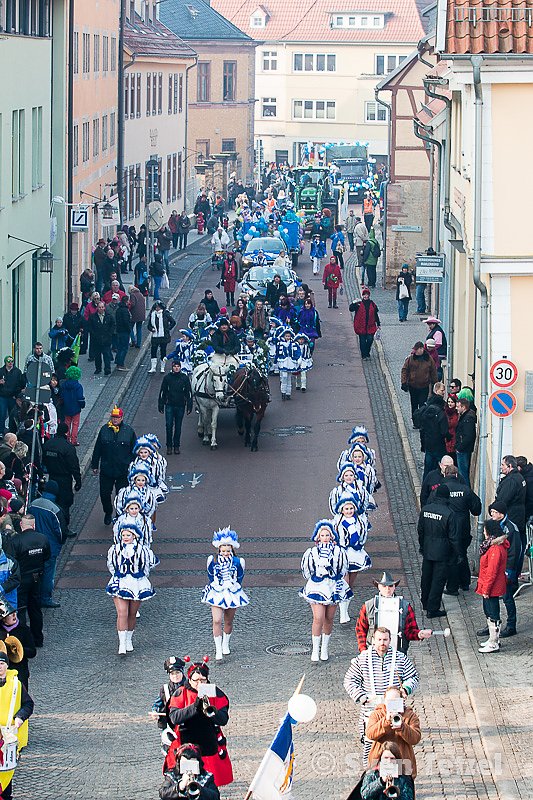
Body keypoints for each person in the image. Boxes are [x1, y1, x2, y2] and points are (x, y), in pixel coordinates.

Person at [344, 627, 419, 764]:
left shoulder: (400, 658)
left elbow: (413, 676)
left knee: (397, 742)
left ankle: (400, 777)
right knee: (370, 742)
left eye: (385, 640)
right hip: (371, 708)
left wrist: (405, 689)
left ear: (390, 640)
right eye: (379, 639)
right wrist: (361, 696)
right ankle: (371, 774)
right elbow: (349, 680)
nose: (382, 643)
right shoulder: (363, 659)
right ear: (373, 640)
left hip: (394, 706)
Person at [165, 658, 233, 787]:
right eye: (196, 680)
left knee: (210, 782)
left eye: (203, 680)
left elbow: (223, 719)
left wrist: (212, 713)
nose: (199, 684)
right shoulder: (181, 692)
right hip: (186, 744)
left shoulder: (215, 692)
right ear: (189, 679)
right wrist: (194, 707)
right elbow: (174, 718)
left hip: (208, 743)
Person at [300, 520, 350, 662]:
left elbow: (343, 569)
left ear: (332, 536)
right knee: (318, 618)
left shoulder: (339, 552)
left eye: (328, 535)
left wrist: (336, 579)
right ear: (318, 537)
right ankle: (315, 649)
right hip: (317, 586)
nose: (325, 537)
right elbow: (307, 571)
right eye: (323, 535)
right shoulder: (312, 553)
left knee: (329, 618)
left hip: (333, 586)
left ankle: (325, 648)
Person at [107, 523, 157, 654]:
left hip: (136, 583)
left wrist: (141, 579)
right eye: (123, 535)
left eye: (128, 535)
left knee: (132, 614)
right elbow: (111, 565)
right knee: (122, 612)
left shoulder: (142, 550)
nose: (125, 537)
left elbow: (146, 566)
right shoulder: (115, 549)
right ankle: (121, 644)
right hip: (120, 582)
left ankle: (129, 639)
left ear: (134, 536)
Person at [201, 528, 249, 661]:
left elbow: (240, 577)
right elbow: (210, 575)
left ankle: (225, 643)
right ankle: (218, 649)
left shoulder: (239, 562)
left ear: (232, 549)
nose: (226, 553)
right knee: (216, 620)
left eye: (228, 551)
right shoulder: (213, 560)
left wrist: (234, 586)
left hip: (232, 592)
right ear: (219, 550)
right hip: (217, 592)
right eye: (223, 551)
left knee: (228, 620)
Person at [356, 572, 432, 655]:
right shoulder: (368, 606)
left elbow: (410, 631)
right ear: (379, 587)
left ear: (394, 587)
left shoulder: (405, 606)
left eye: (390, 586)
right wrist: (363, 650)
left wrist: (420, 634)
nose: (387, 589)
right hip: (372, 653)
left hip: (398, 653)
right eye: (384, 586)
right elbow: (360, 629)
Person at [433, 465, 481, 595]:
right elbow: (477, 509)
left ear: (444, 475)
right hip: (463, 529)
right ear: (456, 475)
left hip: (446, 530)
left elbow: (431, 507)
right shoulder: (465, 490)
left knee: (451, 558)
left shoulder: (440, 490)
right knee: (462, 554)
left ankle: (452, 587)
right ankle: (465, 582)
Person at [6, 514, 50, 648]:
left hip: (21, 579)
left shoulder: (16, 541)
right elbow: (47, 557)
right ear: (34, 525)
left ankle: (23, 641)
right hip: (37, 578)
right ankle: (38, 639)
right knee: (35, 609)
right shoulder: (43, 538)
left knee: (20, 609)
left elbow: (11, 562)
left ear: (21, 525)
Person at [417, 484, 460, 617]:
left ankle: (425, 602)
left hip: (428, 549)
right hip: (443, 552)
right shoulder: (449, 513)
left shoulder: (425, 510)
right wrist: (458, 553)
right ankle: (433, 608)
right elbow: (453, 537)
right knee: (438, 580)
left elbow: (420, 530)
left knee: (426, 578)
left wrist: (423, 546)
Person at [91, 407, 137, 526]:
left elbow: (135, 451)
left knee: (121, 495)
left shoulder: (129, 431)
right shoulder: (104, 430)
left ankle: (119, 514)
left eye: (117, 417)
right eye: (113, 417)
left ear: (122, 418)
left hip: (123, 470)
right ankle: (108, 512)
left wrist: (134, 466)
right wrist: (95, 465)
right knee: (104, 494)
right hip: (107, 469)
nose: (115, 419)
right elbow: (98, 449)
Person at [0, 649, 34, 800]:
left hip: (8, 737)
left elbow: (28, 704)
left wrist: (20, 717)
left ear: (6, 666)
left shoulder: (16, 684)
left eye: (1, 663)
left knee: (6, 774)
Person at [366, 687, 421, 778]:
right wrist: (385, 722)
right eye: (390, 701)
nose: (393, 704)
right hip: (380, 759)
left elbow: (415, 738)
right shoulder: (377, 714)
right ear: (385, 701)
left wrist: (403, 728)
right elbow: (370, 734)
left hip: (403, 760)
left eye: (396, 701)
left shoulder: (410, 715)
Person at [28, 479, 65, 609]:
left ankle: (34, 596)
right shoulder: (55, 509)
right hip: (50, 546)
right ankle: (45, 598)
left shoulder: (33, 504)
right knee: (48, 572)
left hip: (33, 543)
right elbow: (61, 531)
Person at [487, 501, 521, 638]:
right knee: (492, 597)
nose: (492, 515)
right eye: (492, 512)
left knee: (507, 598)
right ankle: (492, 623)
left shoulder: (511, 529)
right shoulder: (493, 524)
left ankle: (511, 625)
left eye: (495, 512)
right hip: (496, 567)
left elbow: (515, 552)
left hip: (506, 569)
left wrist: (509, 572)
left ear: (501, 513)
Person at [476, 518, 509, 654]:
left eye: (484, 530)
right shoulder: (494, 546)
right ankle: (492, 639)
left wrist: (486, 590)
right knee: (490, 612)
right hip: (490, 585)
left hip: (491, 587)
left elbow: (492, 572)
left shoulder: (495, 549)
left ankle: (494, 642)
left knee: (493, 614)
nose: (483, 533)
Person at [414, 382, 449, 478]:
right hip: (438, 444)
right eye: (442, 390)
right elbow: (444, 430)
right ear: (436, 390)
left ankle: (426, 486)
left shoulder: (427, 405)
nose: (443, 392)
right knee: (442, 467)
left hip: (428, 442)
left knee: (428, 468)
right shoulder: (441, 410)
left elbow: (422, 425)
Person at [158, 361, 192, 456]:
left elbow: (188, 393)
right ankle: (169, 446)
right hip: (169, 405)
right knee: (168, 426)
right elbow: (163, 392)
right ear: (172, 367)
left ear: (180, 367)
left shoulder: (184, 378)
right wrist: (161, 404)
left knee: (178, 426)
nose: (176, 368)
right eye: (175, 366)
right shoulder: (167, 378)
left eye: (178, 366)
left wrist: (189, 405)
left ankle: (176, 446)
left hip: (180, 405)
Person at [400, 342, 437, 423]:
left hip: (424, 386)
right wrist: (404, 382)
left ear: (421, 349)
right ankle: (415, 422)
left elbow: (433, 371)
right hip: (413, 386)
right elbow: (404, 370)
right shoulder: (411, 359)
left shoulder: (429, 359)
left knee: (422, 405)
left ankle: (421, 422)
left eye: (416, 349)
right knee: (414, 404)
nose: (415, 351)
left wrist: (435, 384)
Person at [350, 288, 380, 360]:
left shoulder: (372, 304)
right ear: (363, 296)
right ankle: (364, 355)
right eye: (364, 295)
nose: (366, 296)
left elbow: (375, 314)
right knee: (362, 341)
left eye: (367, 295)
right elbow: (351, 309)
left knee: (370, 340)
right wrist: (354, 302)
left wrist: (378, 323)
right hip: (361, 326)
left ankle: (367, 352)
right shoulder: (359, 304)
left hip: (370, 325)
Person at [147, 300, 176, 374]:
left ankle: (162, 367)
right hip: (155, 336)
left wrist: (167, 329)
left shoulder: (165, 314)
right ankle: (153, 367)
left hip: (164, 337)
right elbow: (149, 325)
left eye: (158, 307)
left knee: (163, 351)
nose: (157, 309)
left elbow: (173, 322)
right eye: (156, 307)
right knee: (153, 351)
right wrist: (151, 329)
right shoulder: (152, 314)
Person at [88, 301, 115, 376]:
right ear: (97, 308)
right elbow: (90, 327)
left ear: (104, 308)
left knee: (106, 355)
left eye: (102, 307)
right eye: (99, 307)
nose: (101, 309)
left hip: (106, 339)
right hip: (96, 340)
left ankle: (107, 369)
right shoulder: (93, 317)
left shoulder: (108, 316)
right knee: (97, 355)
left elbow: (113, 325)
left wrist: (109, 334)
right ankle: (98, 368)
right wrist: (94, 335)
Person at [0, 357, 26, 435]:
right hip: (2, 396)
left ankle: (12, 431)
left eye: (12, 361)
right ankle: (1, 431)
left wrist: (17, 394)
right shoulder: (1, 371)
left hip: (12, 396)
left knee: (13, 414)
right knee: (2, 414)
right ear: (5, 362)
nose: (10, 363)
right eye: (8, 361)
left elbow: (21, 384)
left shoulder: (17, 372)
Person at [455, 398, 477, 487]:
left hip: (463, 450)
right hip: (463, 448)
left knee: (463, 473)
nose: (456, 408)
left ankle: (465, 490)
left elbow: (468, 436)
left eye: (458, 406)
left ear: (463, 407)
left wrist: (459, 448)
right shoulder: (467, 416)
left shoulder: (468, 418)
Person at [128, 285, 146, 349]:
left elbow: (133, 304)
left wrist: (128, 305)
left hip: (135, 314)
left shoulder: (132, 295)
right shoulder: (140, 294)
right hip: (141, 314)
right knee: (139, 329)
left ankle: (133, 340)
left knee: (130, 327)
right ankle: (138, 344)